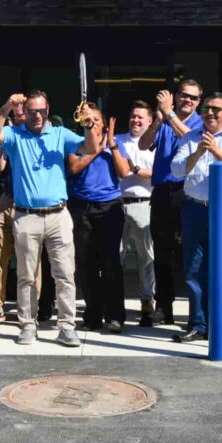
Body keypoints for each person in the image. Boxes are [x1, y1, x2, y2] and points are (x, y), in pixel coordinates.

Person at [0, 90, 97, 347]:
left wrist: (89, 124)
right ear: (25, 111)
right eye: (32, 111)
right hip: (26, 215)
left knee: (65, 274)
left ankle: (66, 326)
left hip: (58, 214)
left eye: (41, 110)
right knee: (26, 276)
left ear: (48, 109)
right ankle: (27, 325)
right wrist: (6, 107)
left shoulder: (59, 133)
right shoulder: (15, 135)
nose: (37, 115)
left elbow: (90, 147)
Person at [170, 93, 222, 342]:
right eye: (206, 109)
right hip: (194, 208)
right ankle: (198, 323)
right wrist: (198, 152)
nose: (210, 113)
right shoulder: (191, 137)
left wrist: (215, 151)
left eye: (216, 109)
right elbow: (176, 169)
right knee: (194, 266)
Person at [138, 79, 204, 326]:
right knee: (162, 253)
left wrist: (169, 113)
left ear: (198, 102)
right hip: (163, 191)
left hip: (188, 192)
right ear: (176, 96)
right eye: (184, 95)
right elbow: (144, 144)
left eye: (193, 97)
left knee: (190, 254)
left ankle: (196, 313)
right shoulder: (165, 119)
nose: (188, 100)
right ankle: (164, 307)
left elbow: (191, 139)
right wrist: (158, 120)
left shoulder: (198, 122)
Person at [68, 105, 129, 333]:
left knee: (111, 263)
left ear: (104, 123)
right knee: (86, 264)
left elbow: (123, 172)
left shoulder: (115, 143)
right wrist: (96, 149)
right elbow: (74, 167)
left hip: (110, 207)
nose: (92, 123)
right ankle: (92, 315)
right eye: (87, 120)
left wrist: (110, 144)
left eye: (96, 120)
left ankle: (114, 316)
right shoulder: (75, 143)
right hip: (81, 207)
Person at [0, 102, 26, 327]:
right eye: (15, 117)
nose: (19, 120)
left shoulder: (36, 135)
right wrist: (2, 140)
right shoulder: (9, 135)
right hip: (7, 198)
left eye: (21, 116)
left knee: (29, 261)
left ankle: (28, 310)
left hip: (29, 202)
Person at [116, 101, 157, 326]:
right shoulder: (117, 140)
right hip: (118, 203)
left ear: (149, 121)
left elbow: (160, 172)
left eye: (141, 117)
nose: (136, 120)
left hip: (145, 203)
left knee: (147, 257)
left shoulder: (154, 144)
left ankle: (147, 300)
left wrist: (137, 170)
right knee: (116, 256)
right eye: (133, 116)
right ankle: (114, 302)